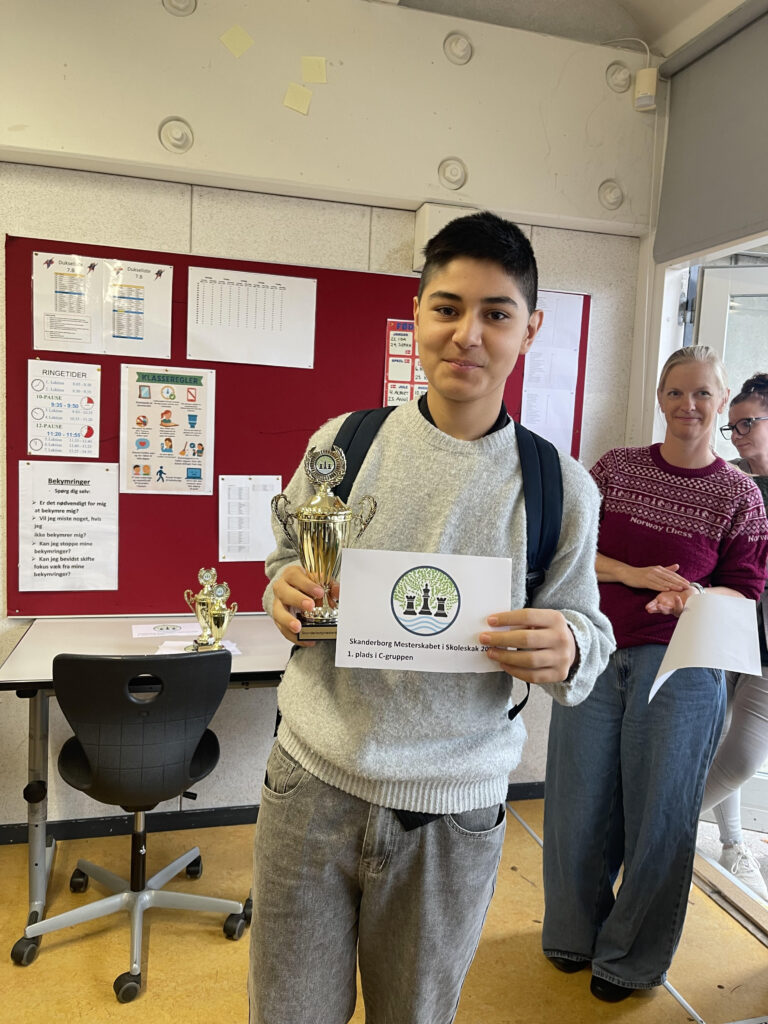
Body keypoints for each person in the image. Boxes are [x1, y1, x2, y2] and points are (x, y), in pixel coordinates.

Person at [249, 211, 615, 1024]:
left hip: (453, 812)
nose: (467, 335)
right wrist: (282, 589)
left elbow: (588, 635)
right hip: (311, 785)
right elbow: (285, 563)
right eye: (447, 308)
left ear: (530, 329)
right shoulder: (344, 445)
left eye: (496, 313)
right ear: (416, 315)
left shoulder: (560, 488)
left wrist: (568, 646)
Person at [542, 346, 768, 1002]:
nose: (688, 405)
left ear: (720, 403)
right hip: (595, 652)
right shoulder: (616, 468)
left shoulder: (740, 496)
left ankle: (630, 960)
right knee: (578, 804)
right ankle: (573, 934)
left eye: (702, 394)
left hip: (684, 669)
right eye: (676, 392)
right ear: (660, 397)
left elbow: (745, 588)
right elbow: (571, 548)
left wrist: (693, 597)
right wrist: (636, 575)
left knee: (660, 817)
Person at [699, 372, 768, 899]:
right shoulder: (731, 481)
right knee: (713, 738)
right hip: (727, 630)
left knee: (744, 756)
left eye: (748, 424)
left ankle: (654, 827)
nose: (737, 434)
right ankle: (732, 843)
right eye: (733, 426)